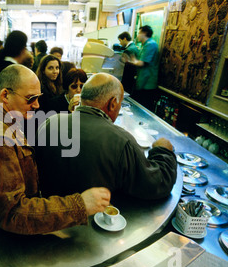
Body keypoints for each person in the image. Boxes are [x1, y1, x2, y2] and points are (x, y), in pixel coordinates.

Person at [0, 64, 111, 235]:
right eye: (30, 98)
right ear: (6, 95)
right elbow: (12, 214)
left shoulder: (2, 119)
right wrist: (80, 205)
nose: (36, 105)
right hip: (6, 241)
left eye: (38, 97)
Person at [36, 72, 177, 202]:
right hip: (94, 221)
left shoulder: (49, 122)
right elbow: (156, 184)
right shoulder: (121, 141)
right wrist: (163, 151)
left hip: (50, 214)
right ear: (113, 103)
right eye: (120, 104)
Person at [123, 25, 159, 110]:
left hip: (147, 84)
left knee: (144, 108)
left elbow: (142, 63)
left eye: (139, 33)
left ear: (145, 33)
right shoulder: (145, 45)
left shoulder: (150, 45)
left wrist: (132, 61)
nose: (137, 35)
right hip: (142, 82)